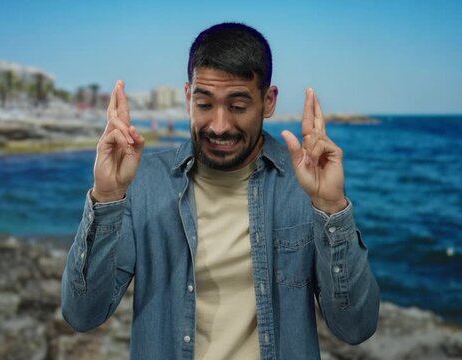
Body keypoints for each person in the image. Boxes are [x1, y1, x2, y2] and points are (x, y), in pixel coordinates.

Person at [61, 22, 380, 360]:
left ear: (268, 101)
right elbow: (82, 315)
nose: (219, 125)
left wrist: (332, 207)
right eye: (204, 104)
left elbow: (355, 327)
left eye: (238, 106)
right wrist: (107, 197)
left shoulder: (305, 186)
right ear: (187, 97)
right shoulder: (143, 182)